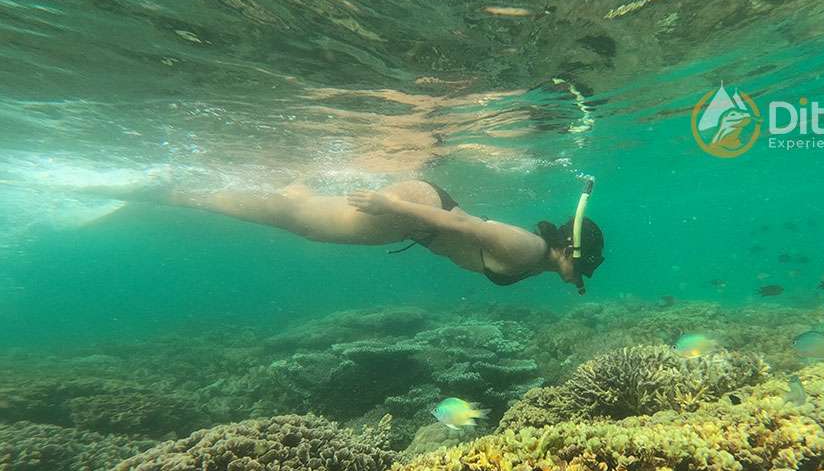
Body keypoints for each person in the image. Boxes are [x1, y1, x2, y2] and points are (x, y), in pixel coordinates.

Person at [82, 176, 605, 293]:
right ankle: (169, 191)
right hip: (416, 212)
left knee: (305, 218)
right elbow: (462, 225)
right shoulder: (529, 248)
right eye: (581, 268)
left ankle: (290, 177)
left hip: (416, 216)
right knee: (299, 222)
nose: (579, 278)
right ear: (571, 249)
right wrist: (390, 203)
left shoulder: (542, 261)